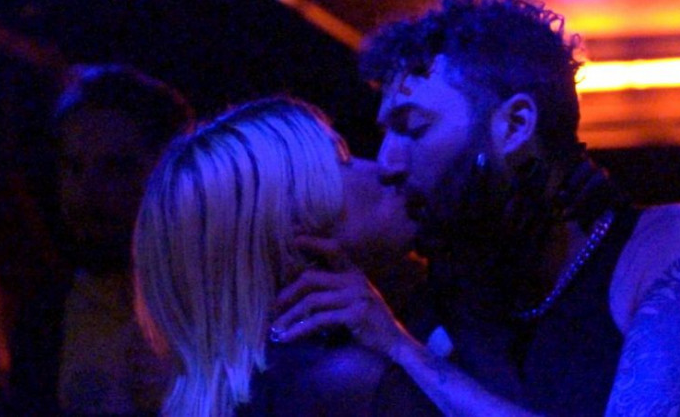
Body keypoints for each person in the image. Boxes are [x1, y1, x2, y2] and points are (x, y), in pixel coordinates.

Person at [271, 0, 680, 415]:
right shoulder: (451, 302)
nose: (388, 162)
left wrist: (405, 351)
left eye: (414, 128)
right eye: (385, 134)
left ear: (516, 125)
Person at [133, 97, 423, 416]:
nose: (385, 169)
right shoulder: (350, 383)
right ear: (286, 225)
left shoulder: (251, 391)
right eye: (342, 160)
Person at [54, 64, 196, 415]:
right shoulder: (48, 318)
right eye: (74, 167)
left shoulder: (233, 315)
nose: (86, 193)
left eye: (116, 168)